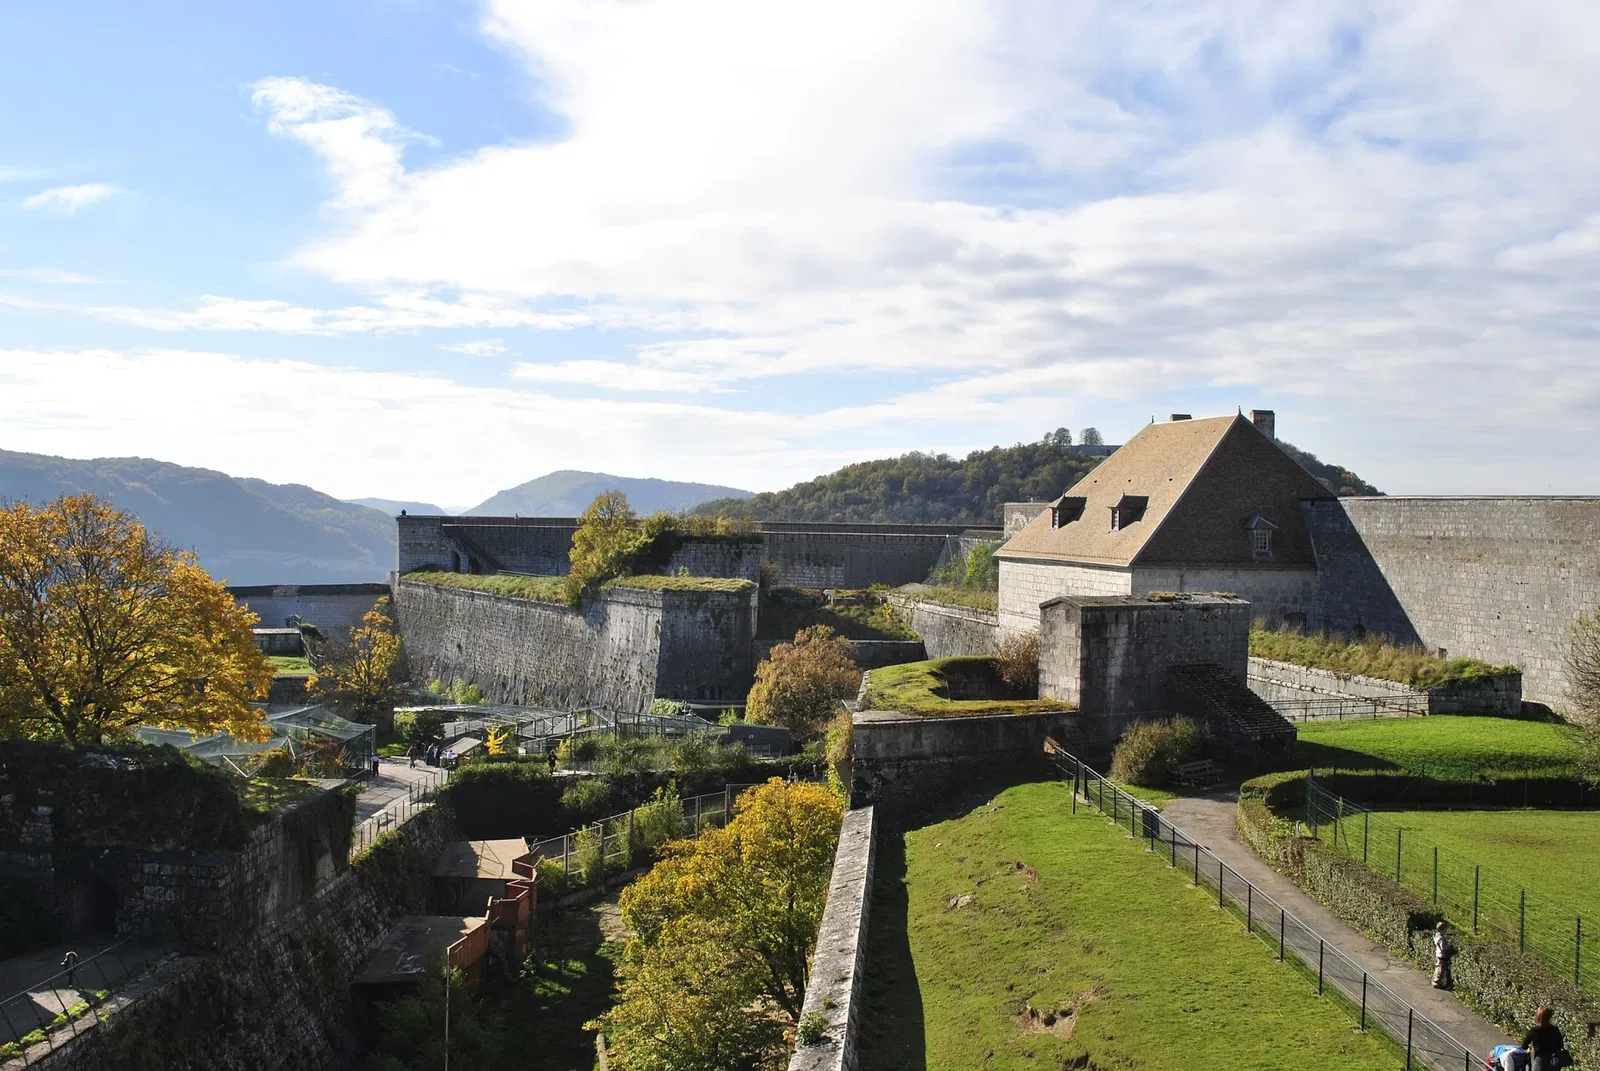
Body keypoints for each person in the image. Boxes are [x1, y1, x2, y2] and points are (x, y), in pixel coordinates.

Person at [1521, 1006, 1569, 1071]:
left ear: (1537, 1017)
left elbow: (1524, 1046)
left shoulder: (1534, 1031)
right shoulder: (1555, 1029)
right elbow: (1560, 1044)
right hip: (1554, 1061)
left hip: (1540, 1061)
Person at [1432, 920, 1456, 989]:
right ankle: (1436, 982)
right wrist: (1450, 945)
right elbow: (1443, 948)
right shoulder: (1441, 939)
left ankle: (1436, 981)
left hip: (1439, 955)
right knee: (1440, 971)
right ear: (1442, 930)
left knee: (1438, 968)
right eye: (1445, 930)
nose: (1446, 931)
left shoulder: (1437, 936)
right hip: (1442, 956)